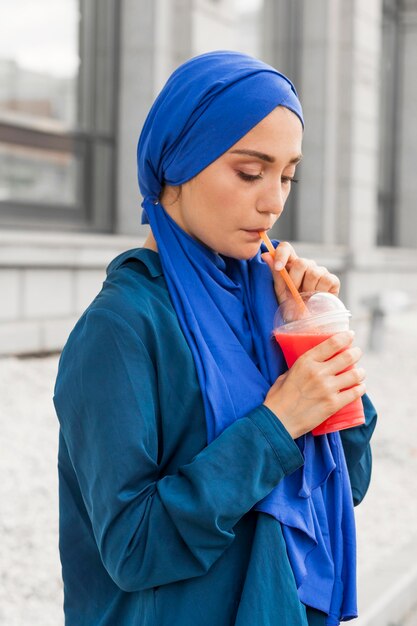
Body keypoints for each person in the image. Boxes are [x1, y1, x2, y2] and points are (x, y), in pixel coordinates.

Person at [54, 51, 377, 626]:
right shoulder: (121, 328)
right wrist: (275, 426)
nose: (273, 200)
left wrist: (315, 333)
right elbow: (134, 549)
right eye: (251, 172)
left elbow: (347, 485)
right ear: (178, 164)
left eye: (287, 176)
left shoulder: (266, 308)